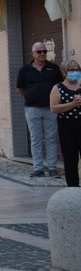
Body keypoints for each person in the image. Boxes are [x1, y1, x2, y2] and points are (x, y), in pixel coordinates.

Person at [16, 42, 62, 178]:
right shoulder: (24, 70)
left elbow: (59, 86)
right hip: (32, 109)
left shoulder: (54, 69)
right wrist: (31, 97)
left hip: (50, 109)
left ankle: (52, 168)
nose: (42, 54)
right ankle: (38, 168)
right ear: (33, 54)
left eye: (44, 51)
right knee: (35, 139)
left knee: (51, 138)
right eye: (39, 52)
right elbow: (20, 89)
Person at [49, 59, 81, 187]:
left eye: (77, 70)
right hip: (67, 126)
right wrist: (73, 104)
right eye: (71, 70)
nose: (75, 72)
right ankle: (73, 188)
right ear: (64, 71)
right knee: (70, 158)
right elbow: (54, 108)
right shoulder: (58, 88)